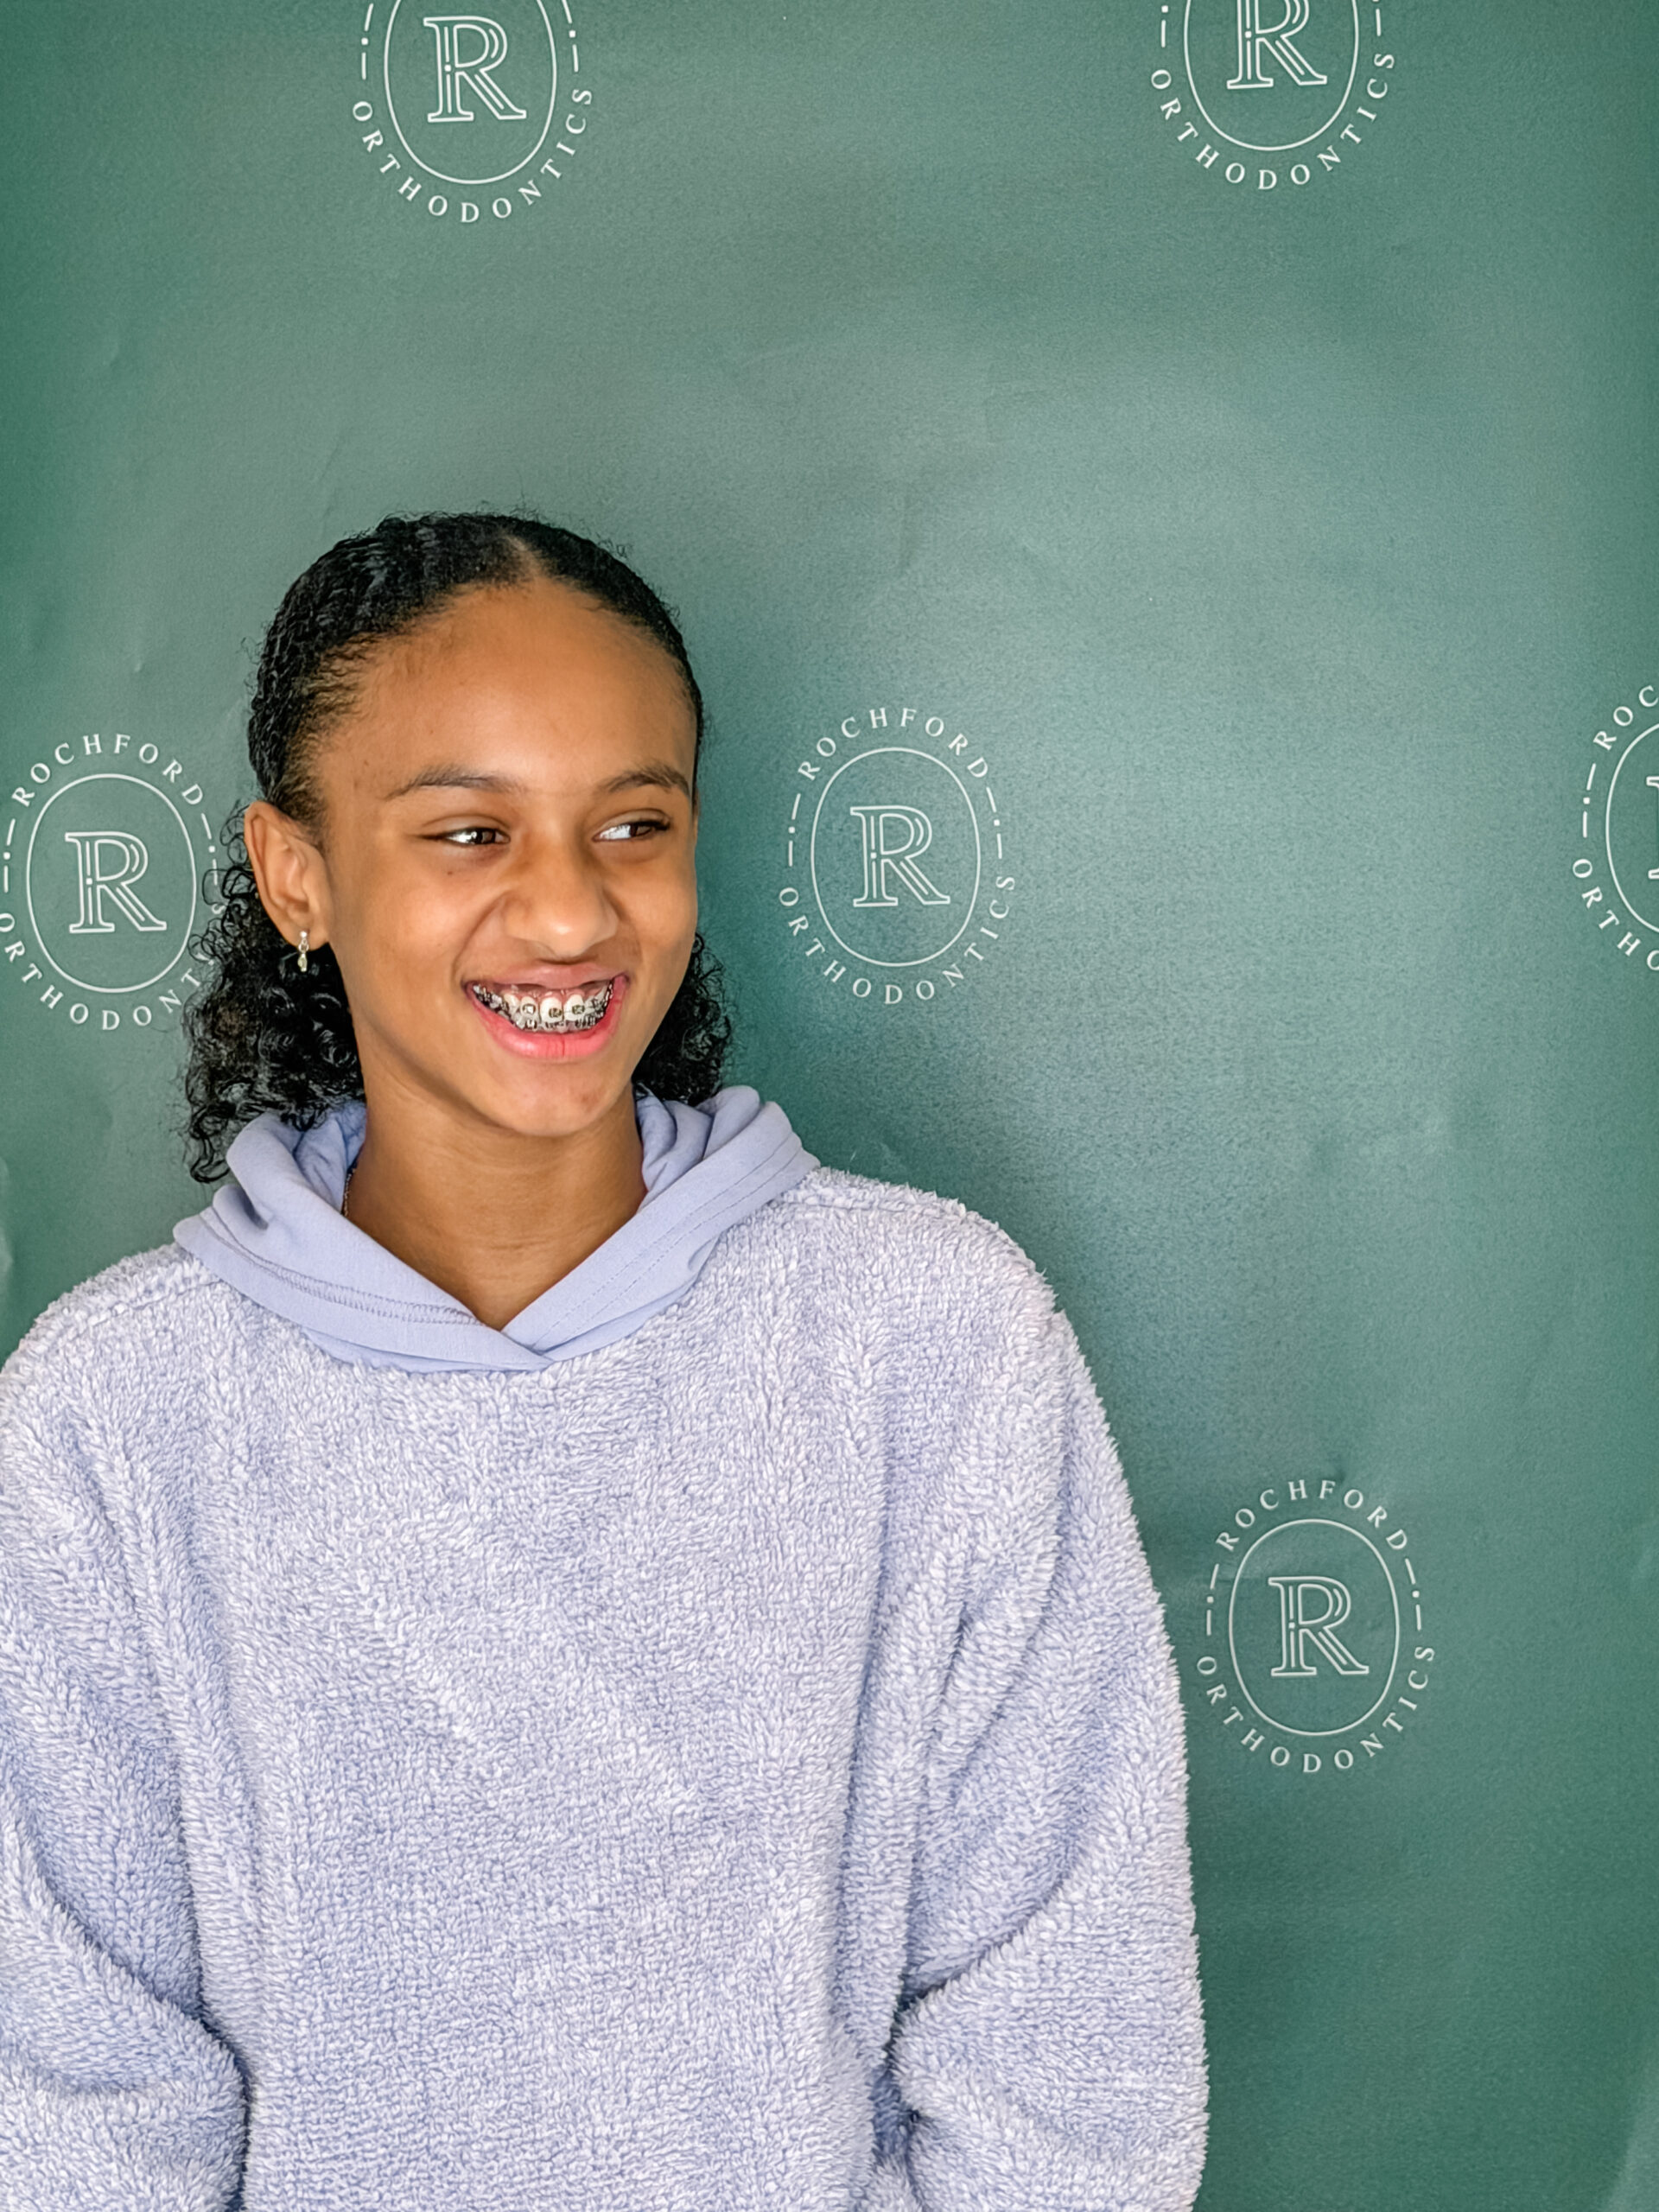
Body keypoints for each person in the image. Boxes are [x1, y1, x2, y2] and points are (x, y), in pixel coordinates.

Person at [0, 512, 1207, 2209]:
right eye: (470, 830)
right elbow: (70, 2100)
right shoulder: (109, 1416)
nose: (569, 909)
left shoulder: (936, 1342)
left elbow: (1072, 2057)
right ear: (298, 875)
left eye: (633, 824)